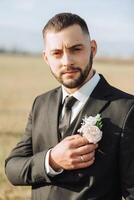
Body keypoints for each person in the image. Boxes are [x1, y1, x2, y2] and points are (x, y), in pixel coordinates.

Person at [5, 12, 134, 200]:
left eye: (76, 49)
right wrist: (52, 160)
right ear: (46, 58)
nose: (67, 61)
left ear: (93, 48)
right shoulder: (40, 103)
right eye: (56, 53)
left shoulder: (126, 109)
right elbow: (12, 169)